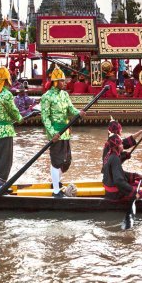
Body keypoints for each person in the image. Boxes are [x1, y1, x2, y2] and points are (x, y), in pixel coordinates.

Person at [41, 68, 85, 198]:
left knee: (67, 161)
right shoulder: (46, 97)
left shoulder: (64, 94)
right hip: (55, 133)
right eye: (61, 80)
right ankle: (56, 190)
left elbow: (70, 109)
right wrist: (52, 132)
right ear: (55, 82)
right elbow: (45, 117)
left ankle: (56, 182)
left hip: (66, 131)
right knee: (56, 161)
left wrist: (78, 113)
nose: (64, 82)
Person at [0, 67, 23, 192]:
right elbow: (13, 112)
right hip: (5, 130)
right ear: (7, 80)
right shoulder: (7, 94)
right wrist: (20, 118)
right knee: (5, 160)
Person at [102, 134, 142, 202]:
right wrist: (134, 193)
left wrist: (135, 176)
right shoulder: (115, 158)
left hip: (110, 188)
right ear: (116, 146)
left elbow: (118, 173)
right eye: (121, 144)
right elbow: (118, 180)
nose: (122, 145)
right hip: (115, 194)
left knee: (141, 184)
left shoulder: (109, 155)